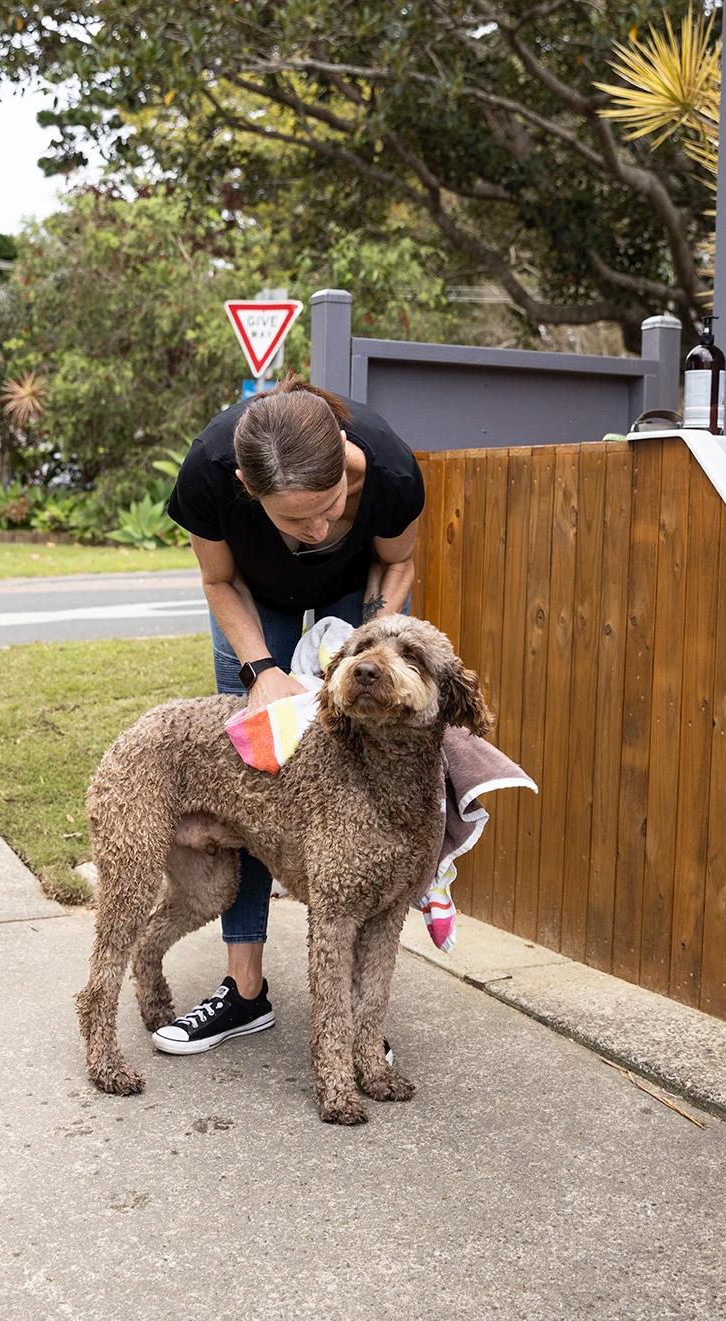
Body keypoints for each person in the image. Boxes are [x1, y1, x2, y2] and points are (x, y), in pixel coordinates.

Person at [151, 375, 424, 1055]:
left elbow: (399, 561)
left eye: (331, 506)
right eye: (296, 519)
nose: (320, 529)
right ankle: (244, 991)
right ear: (247, 486)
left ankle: (362, 1013)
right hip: (253, 596)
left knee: (364, 782)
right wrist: (261, 671)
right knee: (247, 784)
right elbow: (219, 579)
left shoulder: (389, 468)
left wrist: (370, 646)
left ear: (343, 454)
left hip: (352, 599)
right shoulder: (210, 470)